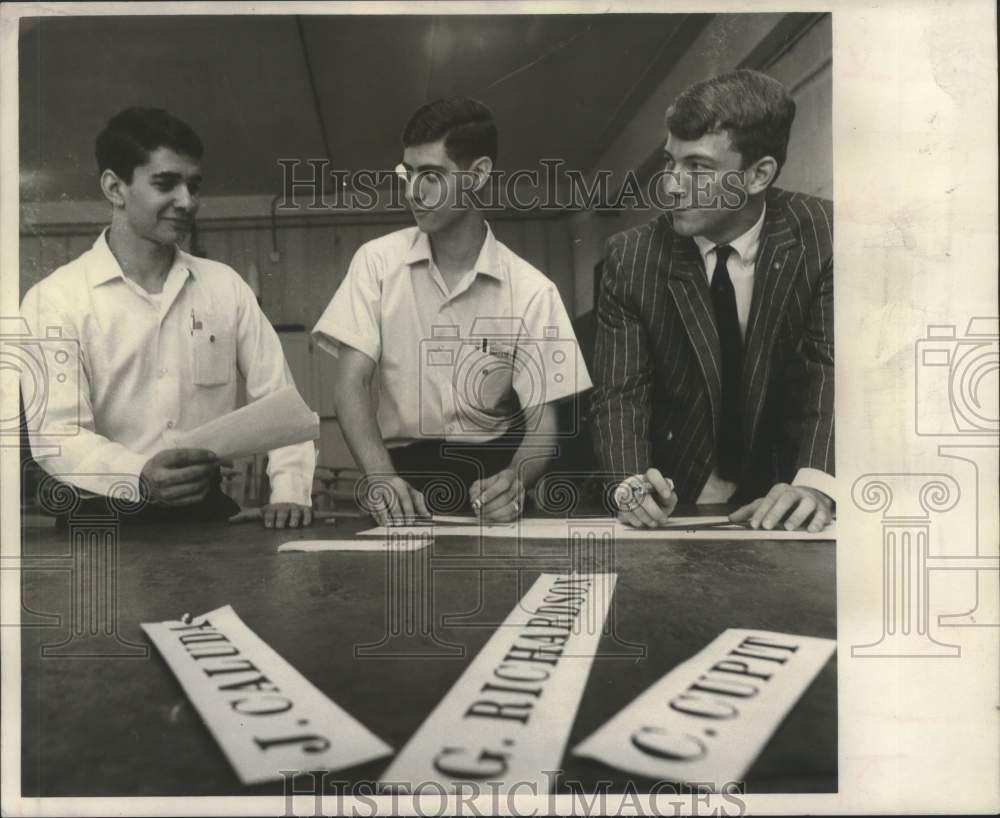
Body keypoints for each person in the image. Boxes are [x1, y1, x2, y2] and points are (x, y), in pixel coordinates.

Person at [20, 107, 315, 527]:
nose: (187, 202)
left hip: (207, 518)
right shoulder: (54, 300)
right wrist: (138, 475)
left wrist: (290, 492)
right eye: (166, 184)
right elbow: (57, 436)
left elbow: (281, 404)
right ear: (114, 188)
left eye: (194, 186)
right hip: (101, 522)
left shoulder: (225, 287)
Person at [312, 97, 591, 525]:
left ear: (478, 174)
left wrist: (515, 480)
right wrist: (381, 476)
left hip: (490, 479)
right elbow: (350, 383)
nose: (412, 191)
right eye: (408, 173)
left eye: (431, 175)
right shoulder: (377, 263)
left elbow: (541, 426)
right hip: (402, 476)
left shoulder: (534, 291)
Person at [592, 69, 834, 532]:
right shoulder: (632, 256)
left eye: (698, 168)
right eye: (670, 163)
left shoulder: (825, 235)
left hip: (790, 490)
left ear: (759, 174)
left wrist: (815, 485)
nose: (672, 185)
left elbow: (832, 370)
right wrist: (628, 484)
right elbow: (621, 394)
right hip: (678, 499)